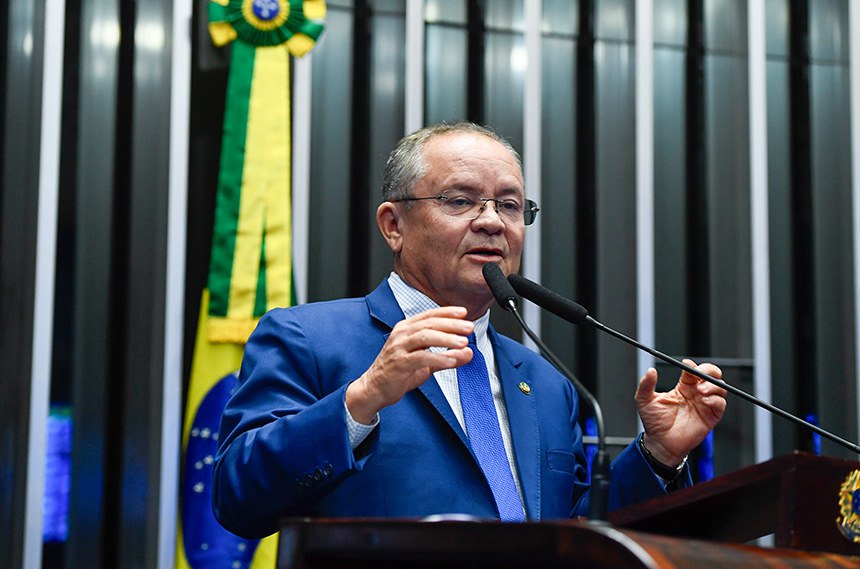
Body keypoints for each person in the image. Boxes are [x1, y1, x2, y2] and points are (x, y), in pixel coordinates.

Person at [211, 122, 727, 539]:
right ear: (394, 225)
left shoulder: (546, 384)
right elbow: (238, 499)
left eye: (509, 205)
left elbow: (579, 535)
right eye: (460, 201)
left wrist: (658, 456)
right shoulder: (307, 338)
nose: (493, 222)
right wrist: (362, 399)